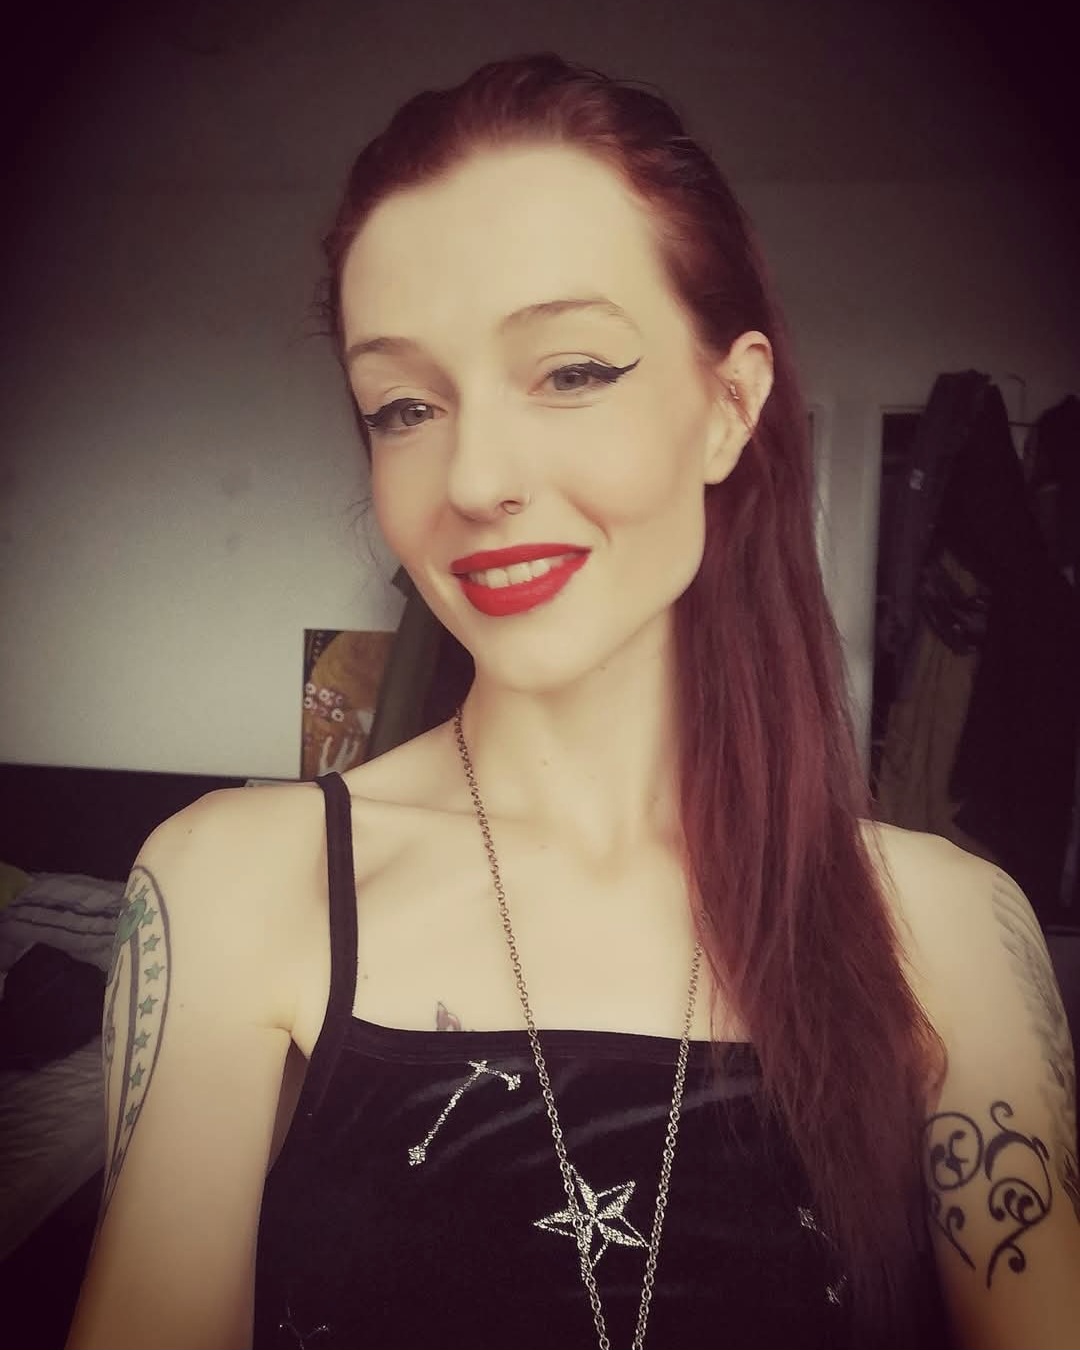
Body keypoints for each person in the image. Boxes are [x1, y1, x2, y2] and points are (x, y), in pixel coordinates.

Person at [65, 51, 1080, 1350]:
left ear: (728, 407)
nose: (474, 477)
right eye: (404, 404)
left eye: (572, 371)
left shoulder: (949, 931)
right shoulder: (232, 888)